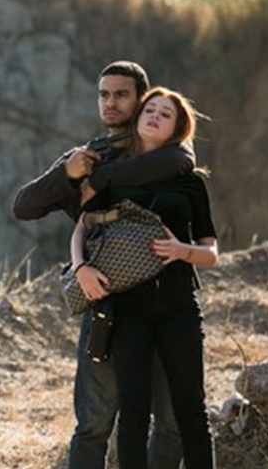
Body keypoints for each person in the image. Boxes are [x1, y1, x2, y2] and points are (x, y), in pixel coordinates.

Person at [12, 61, 192, 469]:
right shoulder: (86, 155)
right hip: (106, 302)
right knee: (94, 424)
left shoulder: (162, 148)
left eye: (122, 94)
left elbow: (180, 161)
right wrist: (68, 173)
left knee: (170, 421)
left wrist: (102, 179)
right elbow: (24, 206)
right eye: (104, 94)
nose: (111, 103)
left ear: (141, 98)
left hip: (166, 301)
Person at [71, 86, 218, 469]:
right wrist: (80, 267)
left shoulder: (191, 183)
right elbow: (82, 229)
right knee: (133, 412)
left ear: (176, 129)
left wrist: (183, 251)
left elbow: (211, 253)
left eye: (165, 114)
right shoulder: (114, 178)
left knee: (191, 411)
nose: (154, 116)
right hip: (127, 308)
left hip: (179, 308)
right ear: (137, 119)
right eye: (149, 109)